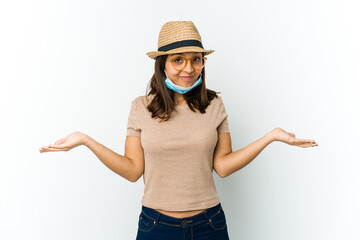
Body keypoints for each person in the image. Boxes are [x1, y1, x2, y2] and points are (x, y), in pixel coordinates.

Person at [39, 21, 318, 240]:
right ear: (162, 63)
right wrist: (86, 140)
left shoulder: (214, 104)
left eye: (196, 59)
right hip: (155, 226)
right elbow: (133, 170)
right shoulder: (140, 107)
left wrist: (271, 137)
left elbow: (222, 166)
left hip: (210, 224)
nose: (189, 68)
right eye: (178, 60)